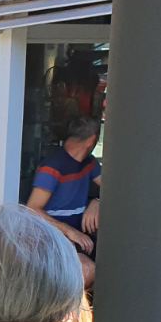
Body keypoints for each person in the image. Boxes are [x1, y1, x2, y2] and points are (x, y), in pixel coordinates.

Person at [26, 115, 102, 289]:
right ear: (92, 140)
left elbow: (114, 189)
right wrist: (70, 232)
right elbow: (32, 209)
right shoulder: (52, 167)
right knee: (87, 270)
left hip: (81, 239)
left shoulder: (89, 163)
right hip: (52, 239)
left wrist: (97, 201)